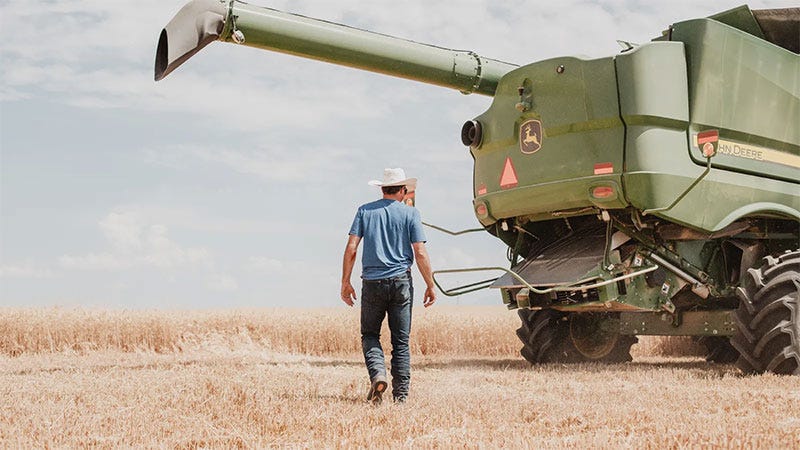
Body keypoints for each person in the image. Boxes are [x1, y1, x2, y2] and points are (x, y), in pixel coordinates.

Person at [340, 168, 436, 405]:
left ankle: (378, 375)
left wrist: (345, 282)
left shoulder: (364, 211)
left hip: (372, 283)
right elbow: (420, 252)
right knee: (400, 341)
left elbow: (352, 248)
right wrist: (430, 284)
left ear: (382, 189)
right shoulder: (411, 214)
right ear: (403, 190)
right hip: (401, 282)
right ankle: (400, 397)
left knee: (370, 334)